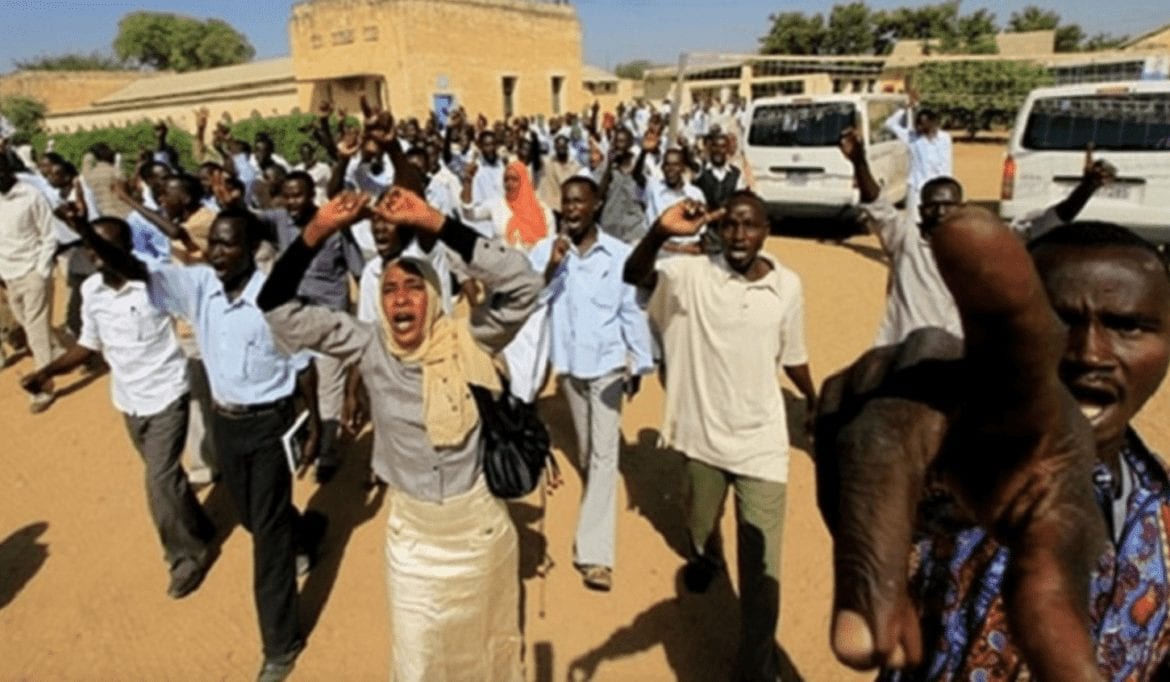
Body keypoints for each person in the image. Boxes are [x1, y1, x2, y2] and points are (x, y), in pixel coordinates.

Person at [814, 209, 1170, 681]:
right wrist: (900, 398)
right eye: (1059, 321)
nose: (1089, 353)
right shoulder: (964, 478)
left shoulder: (1162, 514)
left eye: (1127, 326)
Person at [257, 187, 541, 682]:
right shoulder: (369, 346)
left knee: (490, 652)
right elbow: (277, 308)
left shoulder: (468, 338)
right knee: (418, 663)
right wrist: (318, 230)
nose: (402, 299)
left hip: (478, 531)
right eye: (389, 290)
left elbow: (524, 286)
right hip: (413, 542)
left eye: (414, 288)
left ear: (433, 298)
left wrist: (434, 221)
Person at [79, 205, 323, 682]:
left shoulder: (275, 296)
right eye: (213, 242)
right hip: (225, 424)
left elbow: (305, 364)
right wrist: (83, 230)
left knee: (268, 542)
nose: (217, 252)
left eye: (229, 244)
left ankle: (280, 643)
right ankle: (308, 530)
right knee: (254, 516)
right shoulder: (198, 285)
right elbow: (134, 268)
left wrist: (315, 422)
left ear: (253, 250)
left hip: (271, 425)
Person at [623, 192, 818, 681]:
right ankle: (708, 555)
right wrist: (661, 232)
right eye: (729, 224)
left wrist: (814, 398)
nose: (738, 235)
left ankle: (753, 670)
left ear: (766, 229)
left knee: (762, 576)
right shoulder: (690, 277)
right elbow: (634, 275)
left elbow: (791, 353)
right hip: (701, 439)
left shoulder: (787, 287)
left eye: (749, 225)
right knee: (698, 520)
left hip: (761, 446)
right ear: (716, 228)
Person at [20, 213, 214, 599]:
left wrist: (86, 230)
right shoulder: (93, 291)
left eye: (105, 247)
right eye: (92, 249)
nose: (96, 255)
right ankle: (200, 527)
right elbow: (87, 345)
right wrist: (47, 371)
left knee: (158, 481)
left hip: (167, 394)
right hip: (129, 400)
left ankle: (186, 557)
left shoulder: (151, 283)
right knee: (167, 478)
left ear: (124, 249)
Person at [842, 129, 1115, 347]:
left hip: (961, 355)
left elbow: (1048, 222)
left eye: (948, 205)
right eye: (932, 206)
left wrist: (1087, 187)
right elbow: (877, 204)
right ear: (921, 210)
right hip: (900, 350)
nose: (940, 211)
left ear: (962, 206)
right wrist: (859, 161)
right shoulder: (904, 236)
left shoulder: (985, 243)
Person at [529, 177, 654, 591]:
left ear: (596, 205)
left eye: (580, 202)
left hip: (608, 366)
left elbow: (631, 311)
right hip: (569, 368)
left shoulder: (619, 256)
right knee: (588, 450)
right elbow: (533, 300)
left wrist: (637, 364)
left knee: (603, 458)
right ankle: (595, 496)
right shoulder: (550, 252)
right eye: (567, 202)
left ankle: (594, 555)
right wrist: (551, 265)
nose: (572, 209)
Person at [263, 171, 365, 483]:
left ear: (311, 196)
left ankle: (328, 452)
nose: (293, 202)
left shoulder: (334, 227)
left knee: (328, 385)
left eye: (299, 195)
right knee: (297, 383)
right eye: (288, 195)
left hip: (327, 318)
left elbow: (358, 270)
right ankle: (304, 438)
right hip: (294, 317)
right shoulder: (278, 220)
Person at [0, 153, 59, 412]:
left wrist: (42, 270)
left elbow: (49, 234)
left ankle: (42, 386)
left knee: (34, 328)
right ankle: (55, 351)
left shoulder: (30, 195)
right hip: (8, 273)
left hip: (33, 269)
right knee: (24, 321)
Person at [634, 135, 706, 254]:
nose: (670, 169)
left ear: (682, 168)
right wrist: (644, 152)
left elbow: (701, 231)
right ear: (662, 168)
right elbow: (637, 176)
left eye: (675, 165)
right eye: (667, 165)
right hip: (658, 250)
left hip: (687, 252)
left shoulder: (695, 194)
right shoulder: (653, 187)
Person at [883, 99, 952, 221]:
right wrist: (904, 109)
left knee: (938, 220)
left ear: (932, 123)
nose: (919, 127)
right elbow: (889, 124)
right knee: (915, 221)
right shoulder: (912, 137)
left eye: (923, 124)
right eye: (918, 124)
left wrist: (947, 185)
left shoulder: (944, 138)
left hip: (937, 188)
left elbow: (946, 164)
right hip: (917, 187)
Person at [691, 132, 748, 253]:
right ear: (709, 148)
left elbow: (739, 200)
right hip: (705, 230)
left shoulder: (736, 174)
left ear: (727, 149)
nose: (718, 150)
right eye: (715, 146)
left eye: (722, 147)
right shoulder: (701, 171)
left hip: (727, 230)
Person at [537, 136, 583, 213]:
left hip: (567, 209)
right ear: (555, 147)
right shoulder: (548, 163)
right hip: (550, 207)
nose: (561, 148)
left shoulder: (575, 167)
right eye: (559, 146)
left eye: (563, 146)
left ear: (567, 147)